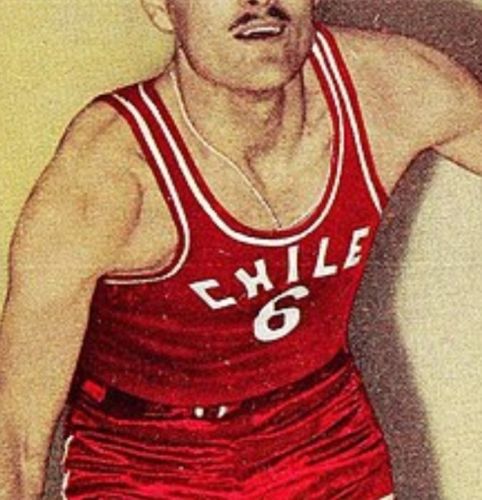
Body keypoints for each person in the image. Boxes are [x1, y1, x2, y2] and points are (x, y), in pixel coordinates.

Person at [0, 0, 481, 498]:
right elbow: (16, 440)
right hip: (150, 461)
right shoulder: (109, 177)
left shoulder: (392, 87)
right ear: (162, 9)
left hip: (325, 440)